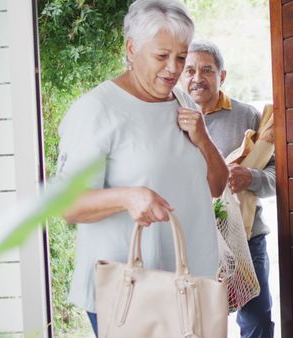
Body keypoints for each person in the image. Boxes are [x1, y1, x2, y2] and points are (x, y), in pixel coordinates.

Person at [55, 1, 228, 336]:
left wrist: (203, 138)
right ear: (131, 49)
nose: (174, 68)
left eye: (181, 56)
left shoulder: (183, 102)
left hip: (193, 286)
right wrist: (129, 197)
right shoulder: (96, 110)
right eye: (161, 56)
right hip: (133, 294)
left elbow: (217, 187)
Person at [180, 41, 276, 338]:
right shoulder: (169, 117)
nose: (198, 78)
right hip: (192, 241)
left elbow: (277, 176)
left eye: (207, 70)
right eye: (190, 70)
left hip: (245, 239)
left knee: (257, 319)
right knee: (198, 322)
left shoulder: (248, 116)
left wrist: (251, 177)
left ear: (221, 76)